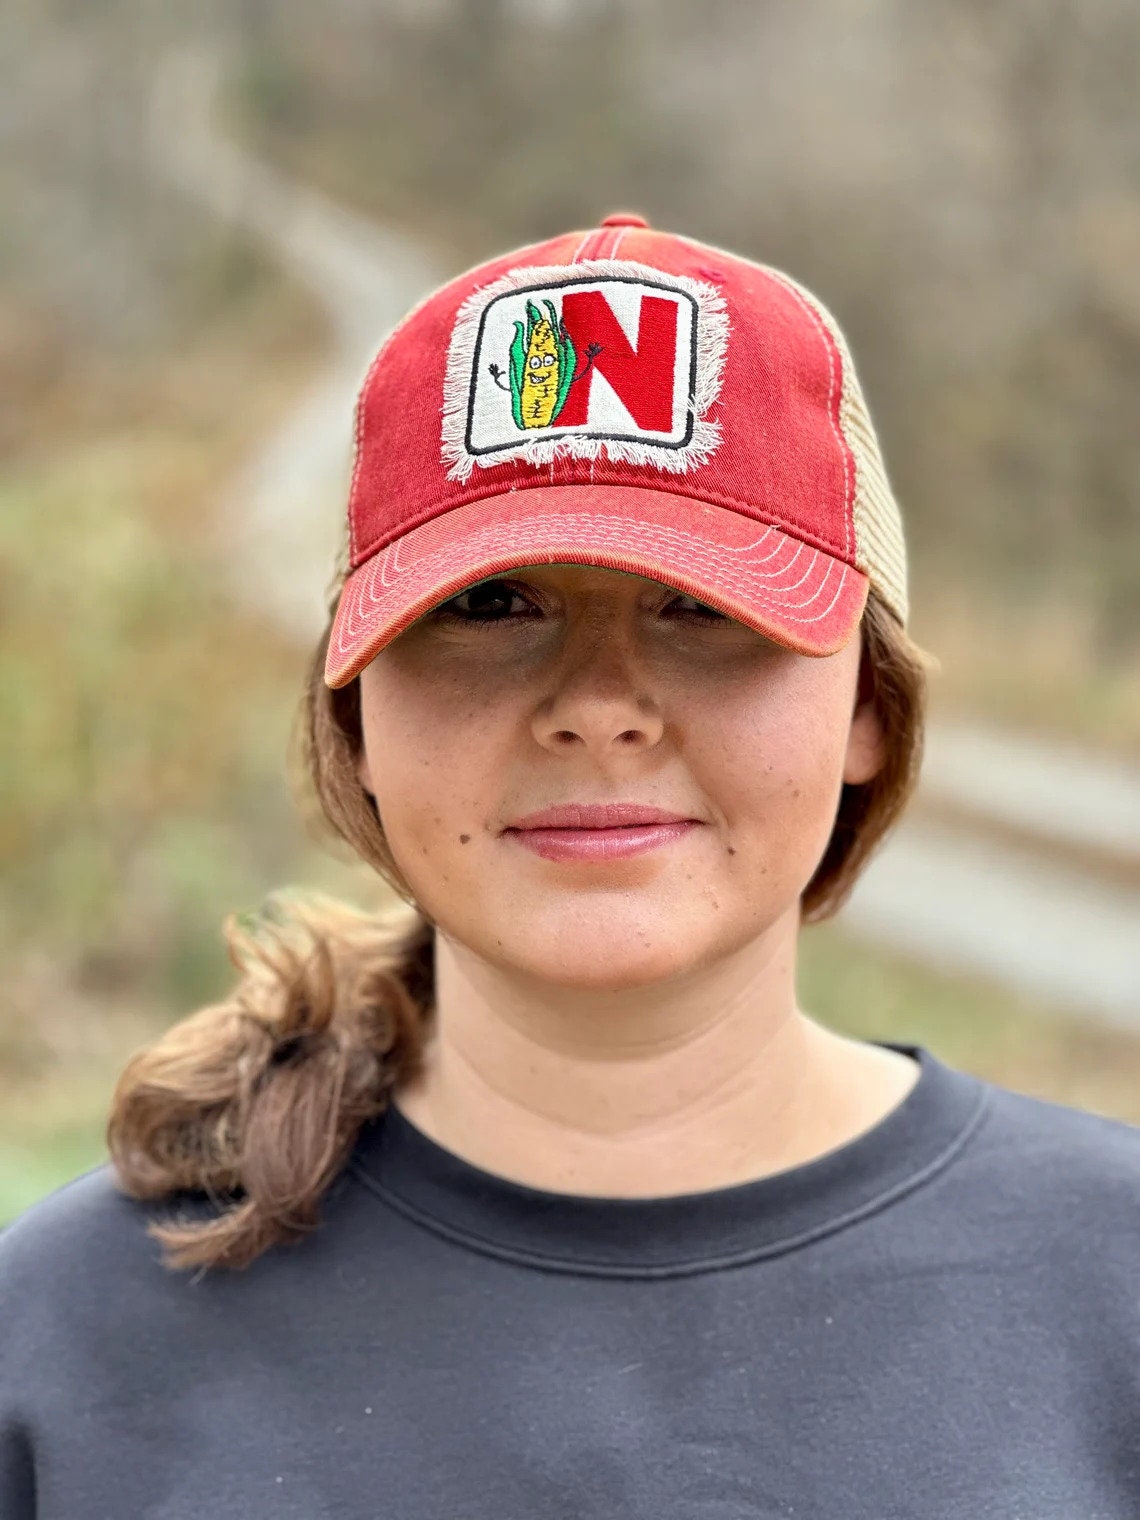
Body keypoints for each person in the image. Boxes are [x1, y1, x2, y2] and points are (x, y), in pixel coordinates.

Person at [1, 213, 1136, 1520]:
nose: (598, 707)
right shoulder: (64, 1346)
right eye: (490, 604)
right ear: (356, 717)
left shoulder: (1111, 1288)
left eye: (701, 606)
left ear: (868, 705)